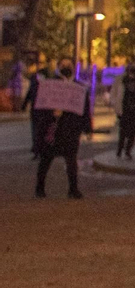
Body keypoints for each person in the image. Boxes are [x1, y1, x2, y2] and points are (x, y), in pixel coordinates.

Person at [34, 61, 89, 198]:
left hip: (70, 129)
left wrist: (86, 127)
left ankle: (73, 189)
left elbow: (84, 109)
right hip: (53, 128)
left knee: (71, 160)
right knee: (46, 159)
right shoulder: (51, 85)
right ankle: (39, 188)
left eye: (68, 65)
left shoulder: (78, 87)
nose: (66, 68)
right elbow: (41, 104)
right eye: (64, 66)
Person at [116, 62, 135, 159]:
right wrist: (118, 109)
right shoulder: (122, 80)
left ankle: (127, 151)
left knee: (132, 132)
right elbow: (118, 96)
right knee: (123, 132)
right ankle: (120, 149)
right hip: (125, 109)